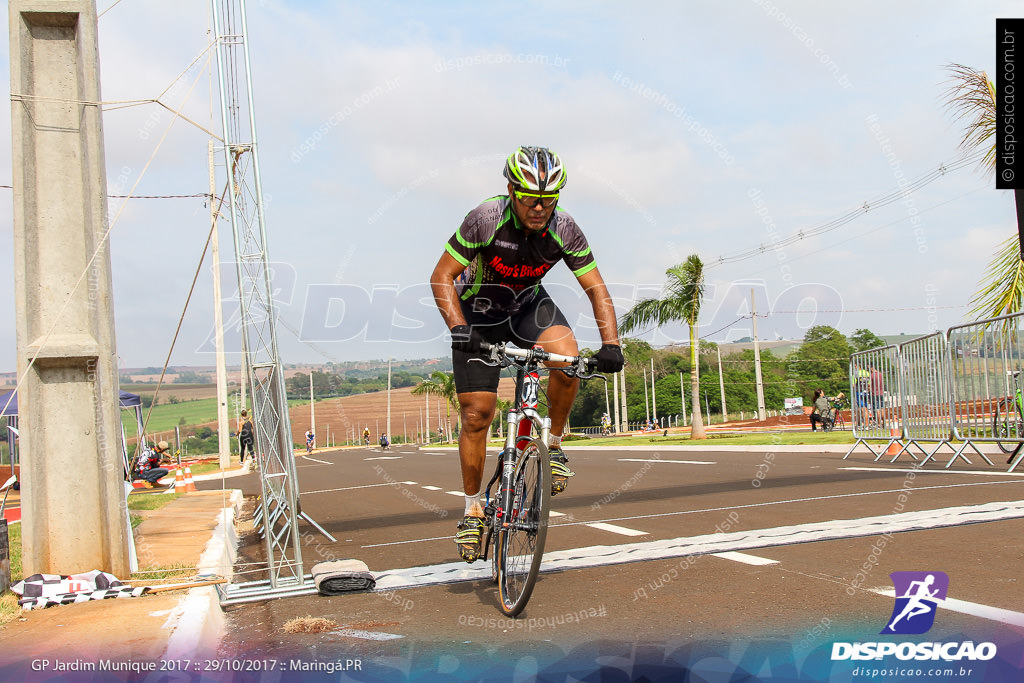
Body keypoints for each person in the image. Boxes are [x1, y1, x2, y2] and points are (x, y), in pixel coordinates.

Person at [430, 145, 624, 563]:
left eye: (549, 198)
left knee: (567, 360)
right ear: (511, 190)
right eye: (530, 197)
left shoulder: (565, 228)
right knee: (477, 415)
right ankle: (472, 509)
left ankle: (552, 443)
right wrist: (458, 329)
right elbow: (441, 276)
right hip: (477, 315)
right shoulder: (485, 218)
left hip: (526, 307)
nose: (539, 207)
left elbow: (596, 288)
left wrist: (611, 345)